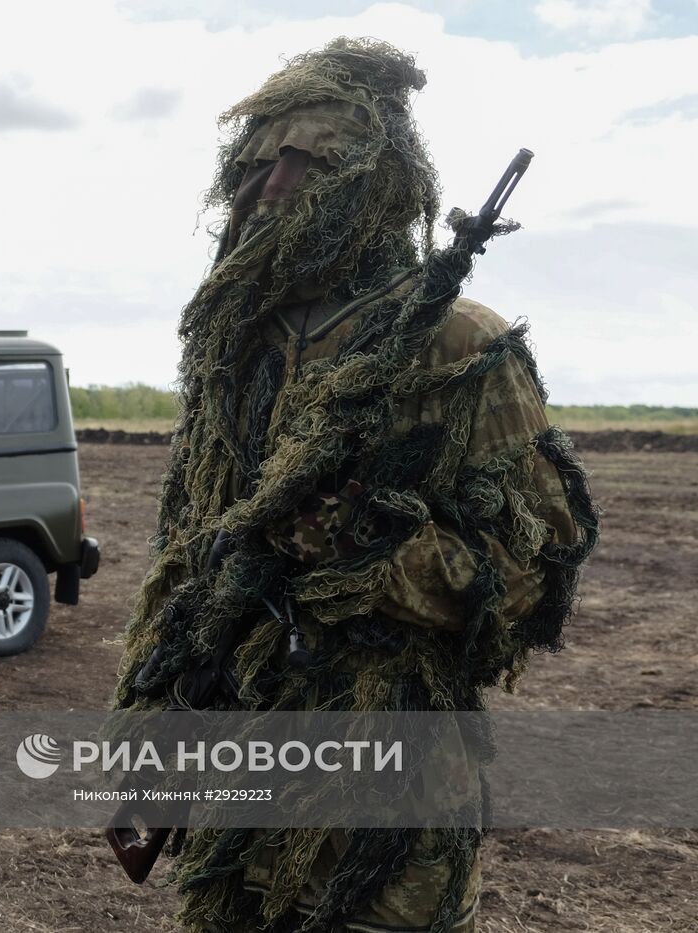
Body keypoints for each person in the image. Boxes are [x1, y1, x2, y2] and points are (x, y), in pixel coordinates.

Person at [113, 39, 598, 932]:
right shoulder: (236, 350)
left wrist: (375, 549)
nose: (273, 187)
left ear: (375, 180)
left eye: (308, 162)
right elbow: (188, 560)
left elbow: (543, 569)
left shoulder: (456, 343)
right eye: (258, 163)